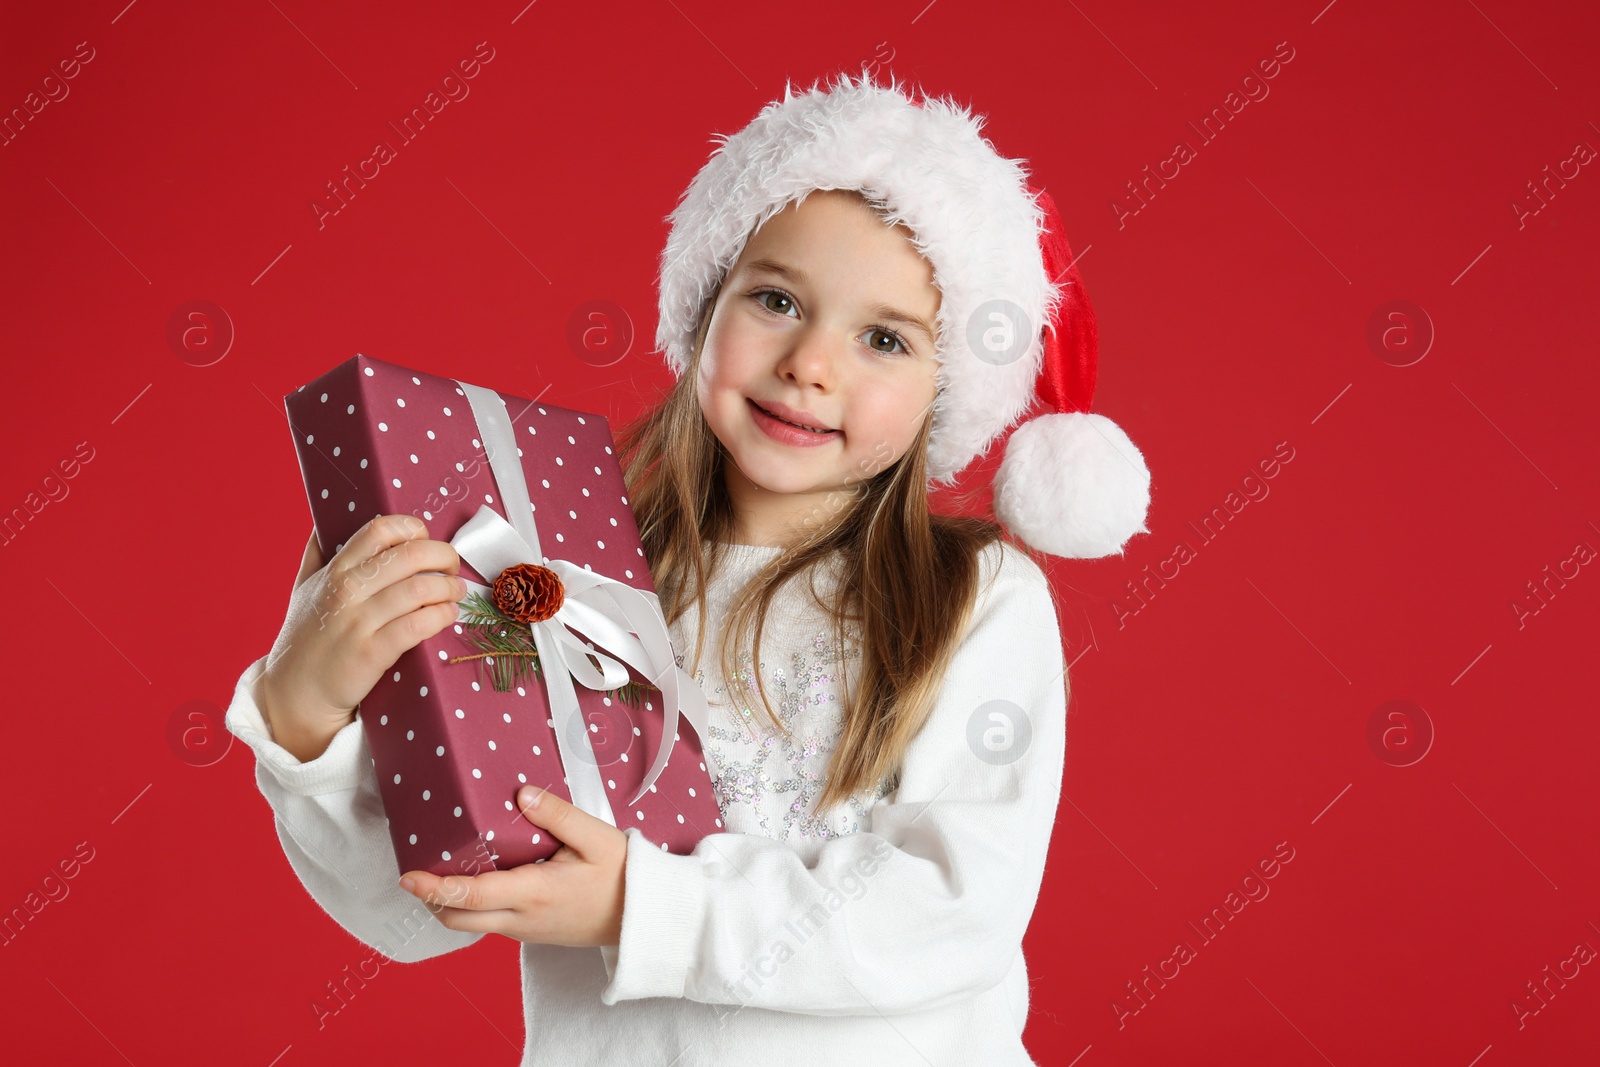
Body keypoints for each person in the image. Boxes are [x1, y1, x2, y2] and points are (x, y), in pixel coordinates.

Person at [224, 69, 1152, 1065]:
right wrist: (304, 714)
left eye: (884, 337)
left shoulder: (976, 602)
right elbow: (419, 903)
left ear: (947, 388)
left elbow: (948, 906)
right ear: (702, 305)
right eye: (776, 298)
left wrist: (638, 903)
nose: (810, 361)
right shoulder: (555, 569)